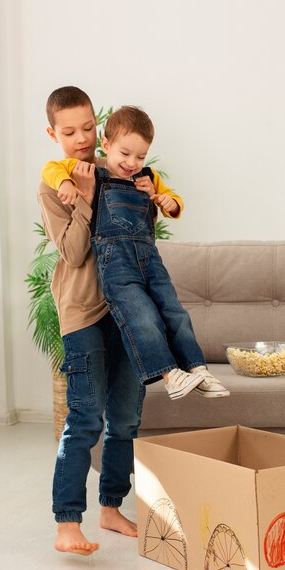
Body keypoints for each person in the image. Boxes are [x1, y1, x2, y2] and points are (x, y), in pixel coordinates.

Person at [41, 105, 230, 400]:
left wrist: (166, 201)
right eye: (125, 154)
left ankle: (197, 368)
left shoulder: (145, 176)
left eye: (140, 156)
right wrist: (67, 183)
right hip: (116, 262)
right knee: (142, 316)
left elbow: (172, 199)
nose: (132, 163)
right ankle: (170, 374)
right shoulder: (93, 173)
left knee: (174, 311)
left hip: (148, 259)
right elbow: (50, 169)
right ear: (107, 145)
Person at [38, 86, 145, 556]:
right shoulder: (52, 184)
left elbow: (134, 233)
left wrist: (146, 193)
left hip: (125, 309)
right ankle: (67, 523)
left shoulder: (115, 170)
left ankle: (110, 508)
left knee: (125, 418)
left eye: (88, 128)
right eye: (69, 131)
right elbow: (75, 252)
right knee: (84, 418)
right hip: (82, 312)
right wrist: (83, 197)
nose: (81, 138)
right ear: (53, 133)